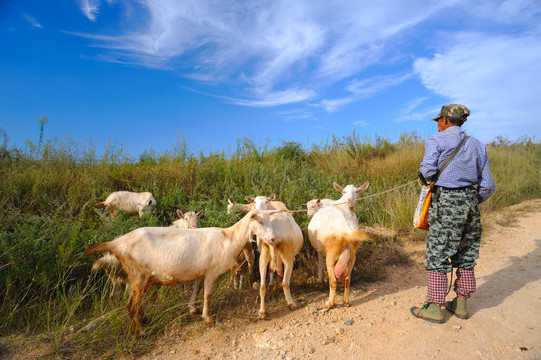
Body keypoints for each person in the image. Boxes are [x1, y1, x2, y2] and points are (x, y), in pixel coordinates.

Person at [411, 104, 496, 323]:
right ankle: (461, 304)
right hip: (470, 205)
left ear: (446, 121)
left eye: (439, 120)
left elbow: (428, 171)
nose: (438, 125)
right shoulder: (478, 145)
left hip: (446, 202)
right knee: (466, 254)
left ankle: (435, 307)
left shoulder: (436, 140)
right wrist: (469, 201)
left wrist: (423, 177)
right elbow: (487, 186)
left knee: (438, 254)